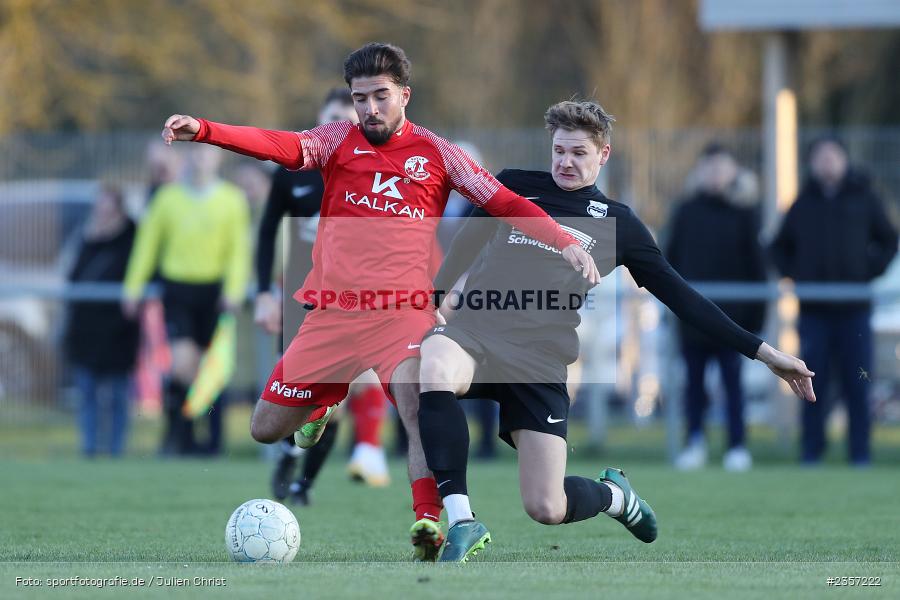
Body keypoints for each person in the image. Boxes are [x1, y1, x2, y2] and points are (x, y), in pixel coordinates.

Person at [160, 42, 598, 560]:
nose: (369, 108)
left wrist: (564, 239)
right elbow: (279, 145)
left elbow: (504, 201)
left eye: (380, 96)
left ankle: (427, 524)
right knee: (264, 428)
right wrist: (207, 131)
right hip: (333, 315)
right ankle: (321, 404)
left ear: (405, 96)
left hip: (403, 314)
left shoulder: (438, 154)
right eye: (360, 97)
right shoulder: (336, 140)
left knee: (416, 408)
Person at [417, 100, 816, 562]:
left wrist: (765, 353)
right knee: (435, 363)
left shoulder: (618, 224)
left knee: (546, 506)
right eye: (559, 150)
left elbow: (682, 297)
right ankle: (463, 520)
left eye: (579, 153)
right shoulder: (513, 186)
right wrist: (431, 303)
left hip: (540, 359)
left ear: (603, 155)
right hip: (478, 334)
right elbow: (464, 246)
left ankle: (615, 496)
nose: (566, 161)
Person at [255, 86, 392, 504]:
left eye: (346, 119)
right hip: (299, 297)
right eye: (331, 117)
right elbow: (266, 234)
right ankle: (286, 456)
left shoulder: (371, 172)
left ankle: (304, 484)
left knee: (338, 394)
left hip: (348, 300)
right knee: (303, 396)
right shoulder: (292, 171)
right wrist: (263, 292)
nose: (339, 126)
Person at [770, 135, 898, 465]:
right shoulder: (803, 203)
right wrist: (799, 273)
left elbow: (888, 240)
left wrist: (867, 271)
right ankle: (812, 452)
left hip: (855, 311)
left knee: (858, 382)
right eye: (821, 156)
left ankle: (860, 454)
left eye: (833, 155)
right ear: (812, 163)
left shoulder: (865, 197)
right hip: (814, 313)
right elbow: (778, 247)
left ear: (843, 159)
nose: (827, 162)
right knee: (813, 383)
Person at [123, 144, 251, 456]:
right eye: (195, 153)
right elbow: (147, 245)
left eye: (208, 153)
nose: (201, 159)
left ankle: (211, 441)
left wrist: (233, 290)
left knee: (210, 369)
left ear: (218, 158)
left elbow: (238, 250)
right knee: (182, 365)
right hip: (177, 289)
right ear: (187, 159)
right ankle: (181, 436)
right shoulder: (168, 199)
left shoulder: (232, 200)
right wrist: (133, 287)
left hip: (214, 292)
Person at [665, 144, 767, 471]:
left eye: (722, 167)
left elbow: (758, 268)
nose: (715, 174)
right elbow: (668, 261)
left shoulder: (747, 213)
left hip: (733, 321)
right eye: (709, 167)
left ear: (734, 171)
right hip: (692, 321)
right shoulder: (685, 211)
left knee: (734, 385)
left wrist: (755, 319)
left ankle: (737, 446)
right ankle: (694, 441)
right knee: (693, 386)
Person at [64, 185, 140, 457]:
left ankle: (115, 451)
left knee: (117, 396)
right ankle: (90, 449)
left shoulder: (132, 238)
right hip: (85, 329)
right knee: (87, 394)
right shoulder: (85, 237)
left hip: (118, 330)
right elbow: (72, 276)